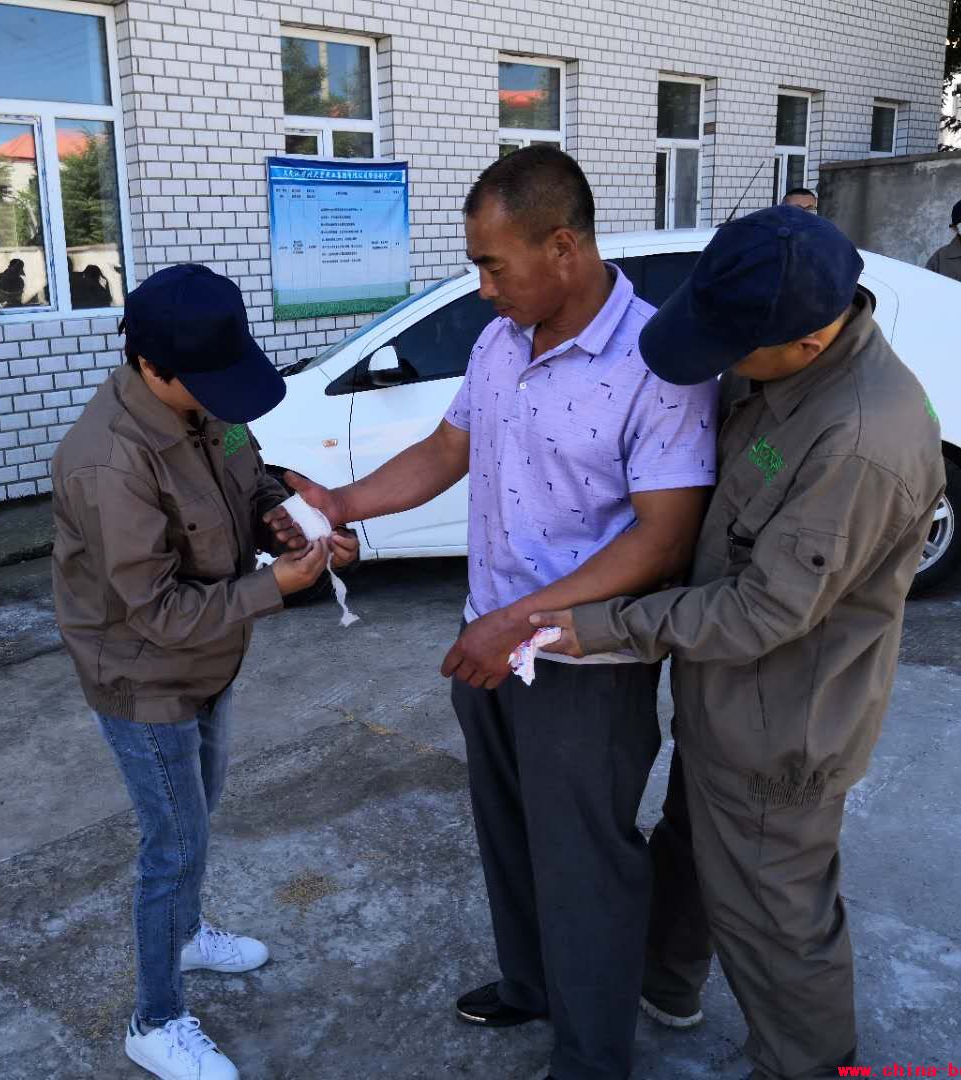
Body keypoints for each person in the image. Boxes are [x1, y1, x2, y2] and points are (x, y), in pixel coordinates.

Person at [280, 146, 719, 1080]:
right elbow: (449, 449)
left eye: (492, 265)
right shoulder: (500, 343)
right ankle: (532, 982)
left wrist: (518, 621)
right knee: (510, 835)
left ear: (563, 246)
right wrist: (340, 502)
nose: (482, 288)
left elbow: (663, 539)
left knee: (586, 861)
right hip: (487, 639)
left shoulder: (657, 365)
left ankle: (593, 1056)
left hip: (584, 661)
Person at [529, 206, 945, 1079]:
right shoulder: (782, 368)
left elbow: (761, 611)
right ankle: (666, 983)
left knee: (775, 914)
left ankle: (809, 1063)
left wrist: (604, 624)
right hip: (726, 703)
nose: (716, 366)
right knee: (691, 846)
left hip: (783, 729)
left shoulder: (858, 442)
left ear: (808, 340)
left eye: (730, 350)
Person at [51, 264, 357, 1080]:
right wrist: (275, 585)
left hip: (211, 656)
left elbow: (245, 476)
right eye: (208, 381)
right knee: (173, 845)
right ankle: (153, 1021)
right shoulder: (108, 461)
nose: (224, 398)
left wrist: (282, 519)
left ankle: (184, 936)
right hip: (143, 674)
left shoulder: (208, 404)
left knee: (198, 815)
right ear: (152, 364)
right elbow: (153, 611)